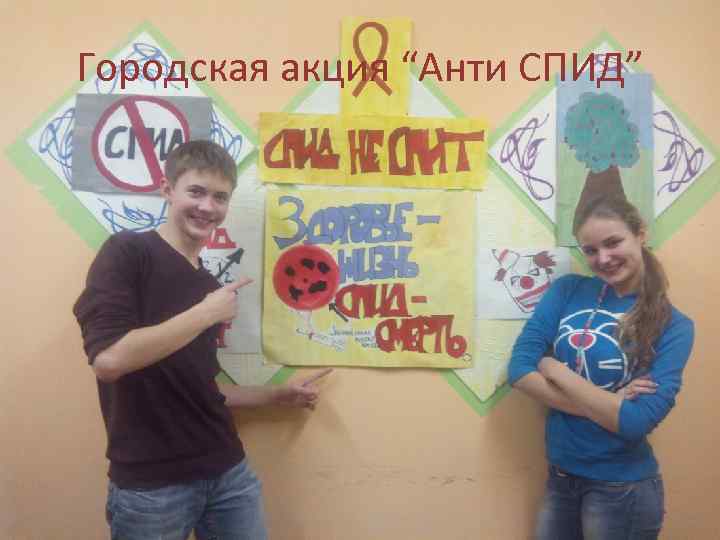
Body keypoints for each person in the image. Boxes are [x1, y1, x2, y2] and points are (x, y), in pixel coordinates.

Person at [73, 140, 330, 540]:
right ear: (167, 189)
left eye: (220, 197)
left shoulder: (208, 285)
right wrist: (206, 313)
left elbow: (200, 388)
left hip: (228, 471)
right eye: (196, 191)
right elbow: (109, 360)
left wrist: (278, 395)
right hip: (151, 487)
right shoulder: (128, 252)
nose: (207, 207)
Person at [508, 196, 694, 540]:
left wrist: (553, 368)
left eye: (613, 243)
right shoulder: (568, 290)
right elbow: (519, 369)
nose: (603, 259)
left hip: (622, 490)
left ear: (640, 234)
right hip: (561, 476)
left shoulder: (675, 326)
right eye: (591, 250)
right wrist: (611, 403)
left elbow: (636, 422)